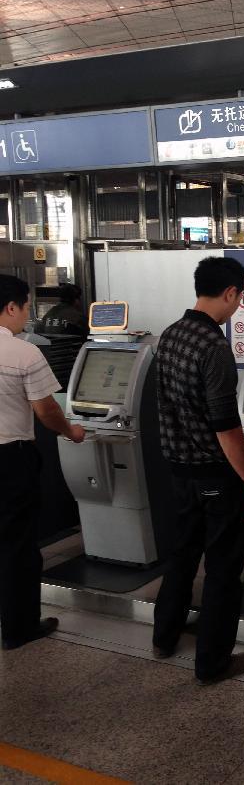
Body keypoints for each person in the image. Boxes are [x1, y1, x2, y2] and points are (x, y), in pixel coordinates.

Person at [152, 257, 244, 686]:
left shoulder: (171, 334)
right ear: (231, 294)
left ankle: (164, 636)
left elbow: (183, 409)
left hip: (179, 470)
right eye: (239, 297)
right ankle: (212, 662)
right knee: (222, 570)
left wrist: (235, 441)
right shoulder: (214, 346)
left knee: (181, 557)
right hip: (216, 477)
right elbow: (223, 424)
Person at [0, 275, 86, 651]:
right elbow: (46, 409)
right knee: (17, 545)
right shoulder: (22, 353)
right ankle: (19, 627)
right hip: (10, 458)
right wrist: (70, 432)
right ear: (11, 307)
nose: (27, 318)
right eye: (25, 309)